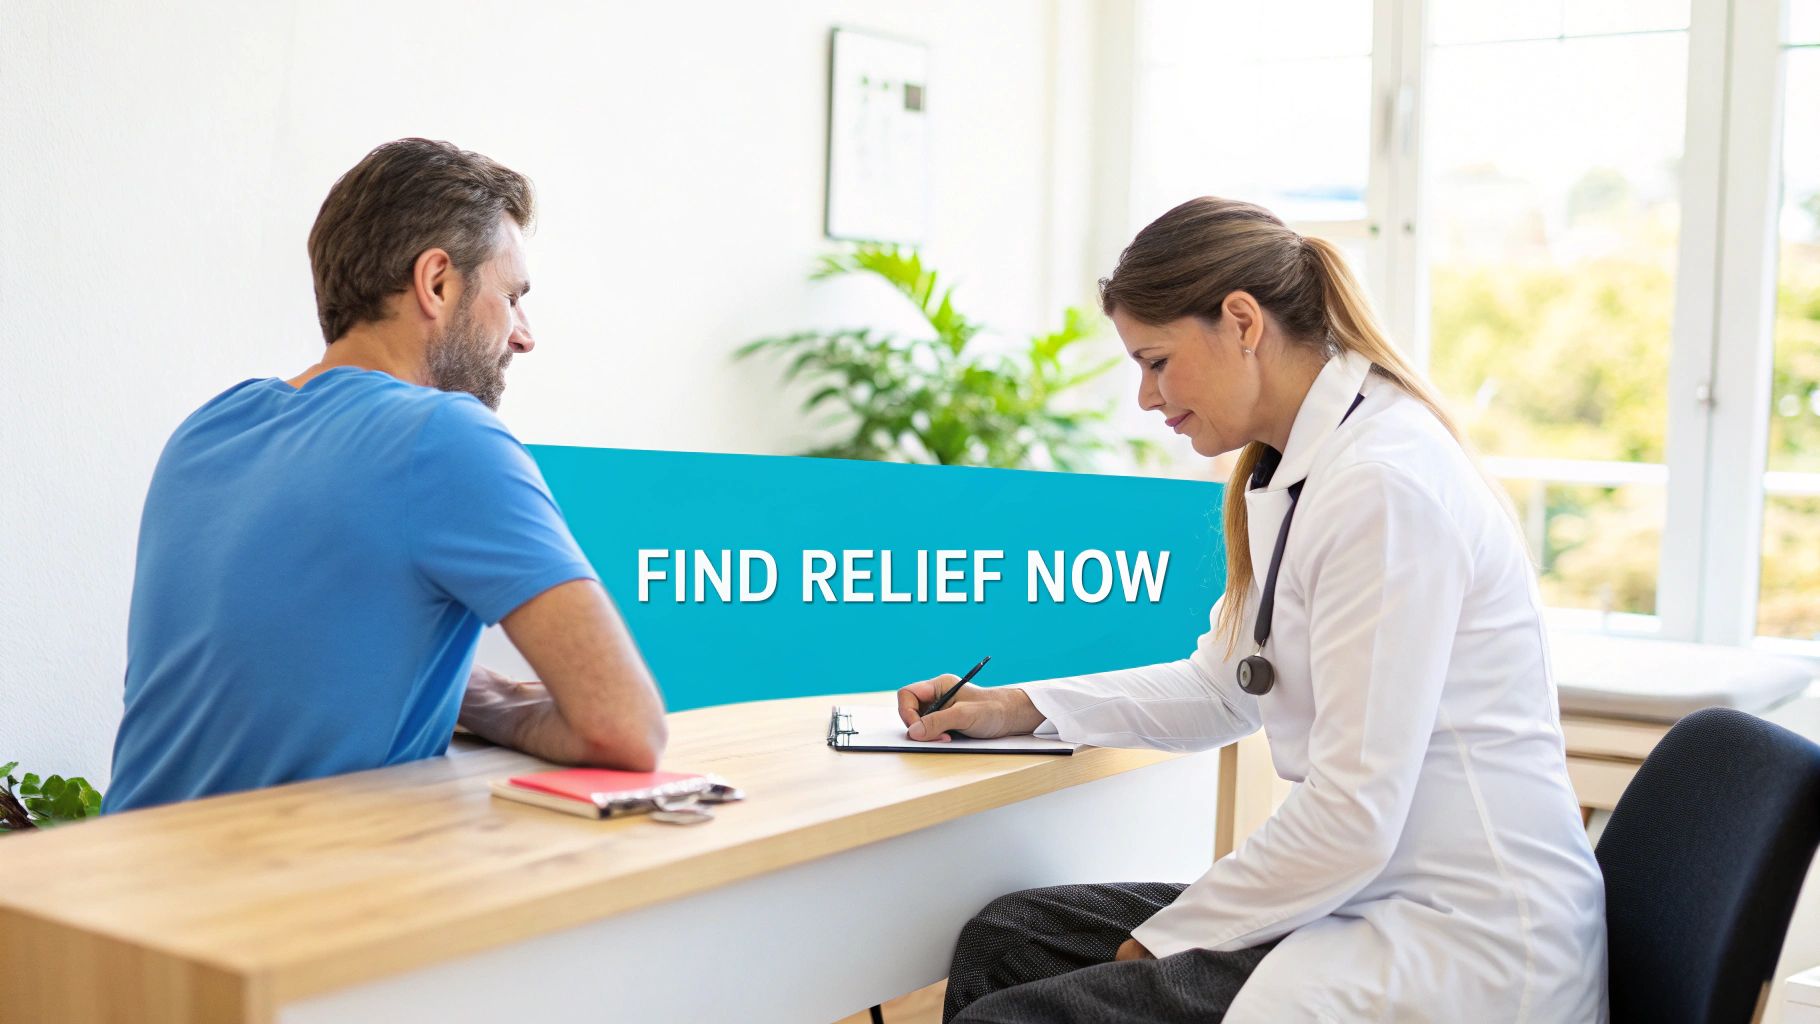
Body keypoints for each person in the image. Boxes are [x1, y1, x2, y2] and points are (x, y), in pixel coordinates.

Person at [897, 198, 1606, 1022]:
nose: (1145, 397)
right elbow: (1226, 687)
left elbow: (1352, 815)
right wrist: (1021, 705)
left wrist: (1166, 939)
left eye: (1156, 361)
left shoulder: (1383, 484)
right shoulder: (1301, 465)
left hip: (1459, 940)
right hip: (1365, 896)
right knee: (1009, 939)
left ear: (1240, 322)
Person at [106, 139, 666, 813]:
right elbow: (625, 728)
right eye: (512, 295)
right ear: (436, 282)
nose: (523, 334)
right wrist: (493, 705)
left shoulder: (208, 429)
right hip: (279, 904)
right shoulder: (446, 437)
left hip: (119, 882)